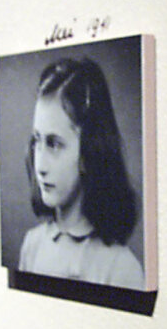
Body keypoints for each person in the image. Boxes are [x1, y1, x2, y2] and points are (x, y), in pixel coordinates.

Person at [18, 57, 144, 289]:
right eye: (37, 141)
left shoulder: (121, 268)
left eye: (54, 144)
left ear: (89, 153)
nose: (40, 166)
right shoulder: (32, 245)